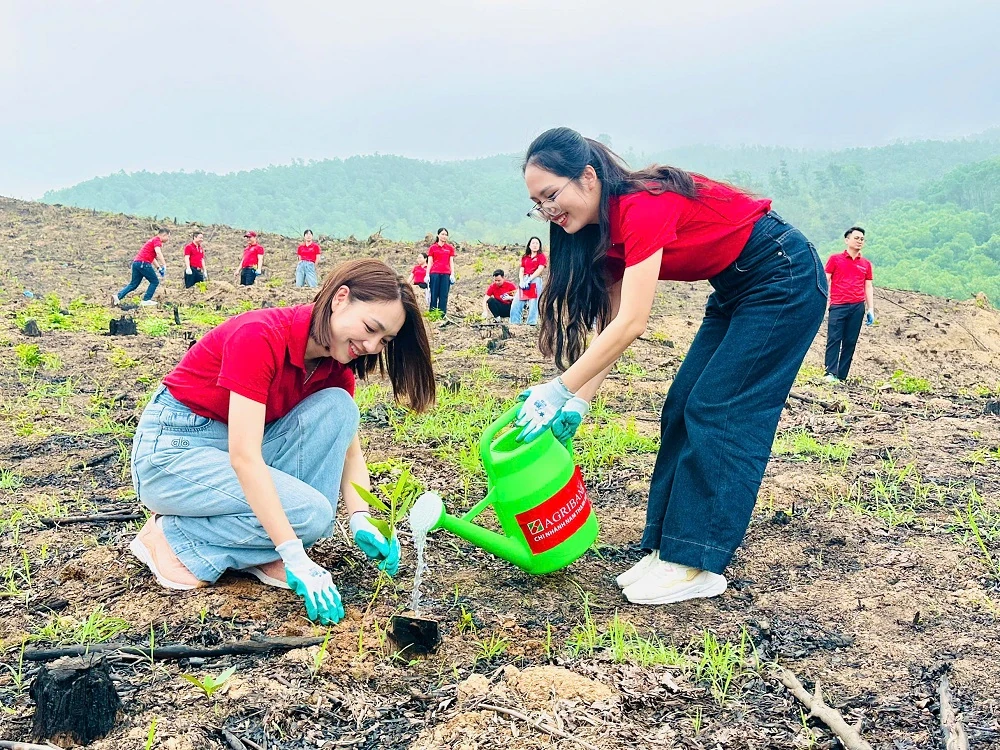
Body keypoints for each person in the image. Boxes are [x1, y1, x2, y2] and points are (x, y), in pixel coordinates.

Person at [514, 127, 827, 605]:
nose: (548, 211)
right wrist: (578, 400)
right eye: (538, 203)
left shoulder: (641, 206)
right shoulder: (601, 234)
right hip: (736, 288)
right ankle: (668, 549)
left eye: (552, 194)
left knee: (719, 409)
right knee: (681, 405)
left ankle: (697, 562)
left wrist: (557, 388)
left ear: (589, 177)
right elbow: (613, 323)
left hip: (782, 275)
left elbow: (636, 321)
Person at [127, 259, 436, 625]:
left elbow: (350, 454)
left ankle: (264, 547)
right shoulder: (260, 336)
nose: (370, 346)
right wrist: (294, 554)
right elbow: (244, 457)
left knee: (339, 408)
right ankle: (175, 537)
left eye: (383, 341)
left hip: (229, 450)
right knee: (312, 516)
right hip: (173, 453)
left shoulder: (333, 370)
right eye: (370, 328)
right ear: (340, 299)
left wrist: (361, 518)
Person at [824, 227, 875, 383]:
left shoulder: (866, 264)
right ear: (847, 240)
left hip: (857, 306)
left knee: (850, 341)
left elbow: (868, 286)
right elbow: (826, 279)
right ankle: (829, 373)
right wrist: (822, 301)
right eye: (856, 238)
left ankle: (841, 376)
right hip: (838, 304)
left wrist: (870, 308)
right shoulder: (835, 259)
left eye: (862, 239)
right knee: (834, 338)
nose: (859, 241)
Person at [112, 228, 169, 307]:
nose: (168, 239)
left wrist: (159, 268)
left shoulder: (152, 240)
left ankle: (117, 297)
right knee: (155, 281)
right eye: (168, 237)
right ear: (164, 235)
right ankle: (146, 300)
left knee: (133, 284)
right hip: (143, 263)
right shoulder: (157, 240)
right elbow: (158, 253)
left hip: (137, 263)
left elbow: (152, 258)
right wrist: (164, 265)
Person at [509, 236, 547, 326]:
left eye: (537, 243)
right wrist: (522, 280)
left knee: (534, 302)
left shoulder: (541, 257)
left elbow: (540, 269)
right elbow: (521, 270)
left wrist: (530, 279)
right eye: (533, 243)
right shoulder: (525, 257)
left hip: (535, 279)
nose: (535, 245)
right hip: (525, 278)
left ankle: (531, 323)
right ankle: (514, 322)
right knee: (517, 301)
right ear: (529, 245)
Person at [427, 228, 456, 315]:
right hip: (435, 273)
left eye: (446, 234)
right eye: (442, 234)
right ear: (438, 235)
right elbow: (430, 262)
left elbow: (451, 262)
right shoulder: (433, 248)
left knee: (443, 295)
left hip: (446, 273)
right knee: (434, 294)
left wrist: (452, 274)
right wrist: (427, 274)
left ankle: (441, 314)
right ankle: (433, 313)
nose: (444, 236)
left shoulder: (450, 248)